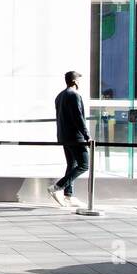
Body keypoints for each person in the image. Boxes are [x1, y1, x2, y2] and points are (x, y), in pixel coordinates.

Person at [49, 71, 90, 206]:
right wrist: (87, 135)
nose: (80, 83)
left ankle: (69, 195)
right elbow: (78, 117)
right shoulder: (74, 95)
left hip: (64, 136)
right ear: (75, 81)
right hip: (75, 137)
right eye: (79, 80)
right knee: (84, 165)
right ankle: (57, 187)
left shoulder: (59, 96)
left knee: (72, 165)